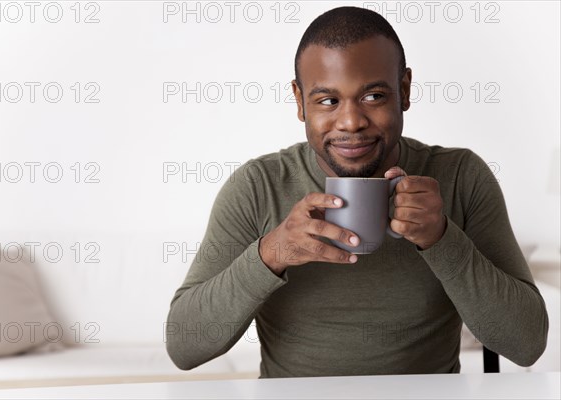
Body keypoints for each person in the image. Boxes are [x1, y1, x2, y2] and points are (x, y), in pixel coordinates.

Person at [165, 6, 548, 377]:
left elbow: (526, 343)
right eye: (327, 100)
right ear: (300, 102)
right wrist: (272, 252)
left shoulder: (462, 177)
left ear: (404, 90)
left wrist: (441, 238)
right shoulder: (257, 186)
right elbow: (184, 349)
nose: (351, 121)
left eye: (373, 96)